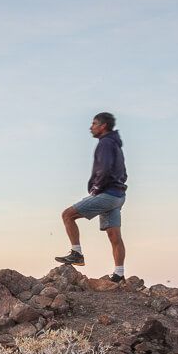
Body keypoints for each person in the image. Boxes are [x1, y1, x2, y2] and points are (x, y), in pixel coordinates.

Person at [55, 112, 128, 282]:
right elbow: (123, 172)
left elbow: (105, 169)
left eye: (94, 123)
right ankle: (119, 274)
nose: (91, 127)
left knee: (67, 215)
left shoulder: (105, 143)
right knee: (114, 236)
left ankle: (77, 253)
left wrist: (96, 188)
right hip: (118, 196)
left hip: (107, 194)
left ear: (103, 126)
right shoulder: (115, 144)